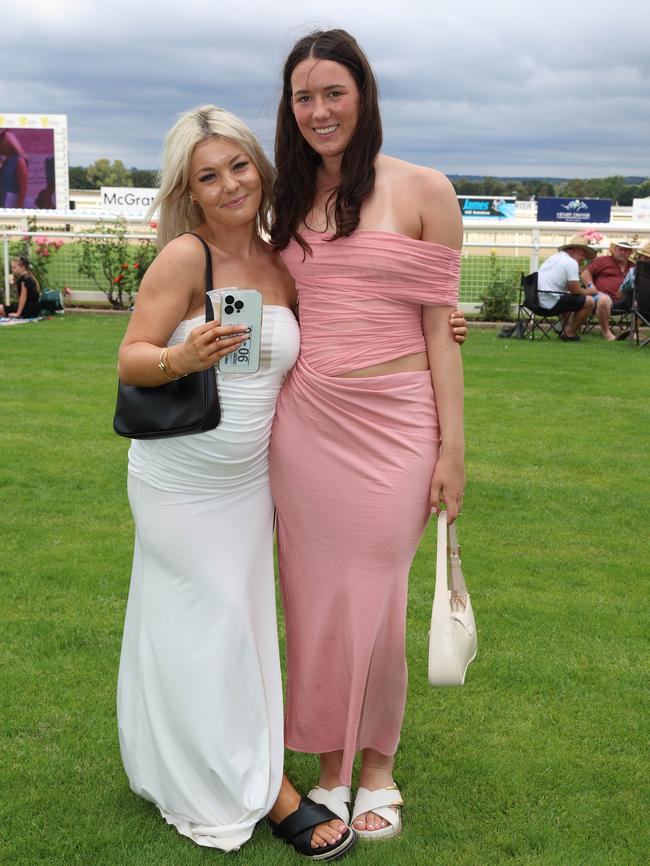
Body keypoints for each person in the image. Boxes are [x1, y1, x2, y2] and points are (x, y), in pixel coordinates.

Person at [116, 103, 469, 860]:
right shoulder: (185, 256)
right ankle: (274, 794)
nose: (230, 184)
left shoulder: (285, 258)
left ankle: (176, 756)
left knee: (230, 631)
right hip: (181, 480)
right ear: (191, 188)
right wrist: (182, 358)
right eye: (209, 175)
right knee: (211, 623)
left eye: (240, 165)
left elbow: (351, 319)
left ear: (261, 168)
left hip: (256, 481)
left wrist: (433, 327)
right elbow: (131, 358)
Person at [269, 29, 465, 841]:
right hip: (305, 426)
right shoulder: (284, 198)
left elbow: (437, 331)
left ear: (364, 94)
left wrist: (454, 447)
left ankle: (376, 766)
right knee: (313, 602)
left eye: (333, 93)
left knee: (378, 599)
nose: (318, 110)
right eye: (303, 96)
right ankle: (326, 768)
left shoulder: (425, 190)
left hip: (398, 427)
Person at [536, 236, 597, 342]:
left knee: (567, 297)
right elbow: (575, 290)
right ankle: (570, 333)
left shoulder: (554, 258)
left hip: (535, 301)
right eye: (583, 255)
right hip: (549, 303)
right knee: (589, 302)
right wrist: (590, 292)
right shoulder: (571, 262)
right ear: (575, 250)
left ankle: (565, 329)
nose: (583, 259)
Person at [580, 240, 637, 340]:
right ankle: (607, 333)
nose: (623, 252)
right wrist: (591, 287)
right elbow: (585, 274)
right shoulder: (602, 260)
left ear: (630, 253)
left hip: (625, 300)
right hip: (601, 297)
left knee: (642, 300)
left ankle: (632, 332)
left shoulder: (633, 266)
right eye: (621, 249)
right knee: (604, 300)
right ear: (614, 250)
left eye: (627, 250)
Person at [0, 129, 28, 208]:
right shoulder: (6, 161)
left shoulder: (19, 161)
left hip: (11, 202)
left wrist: (19, 206)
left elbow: (23, 186)